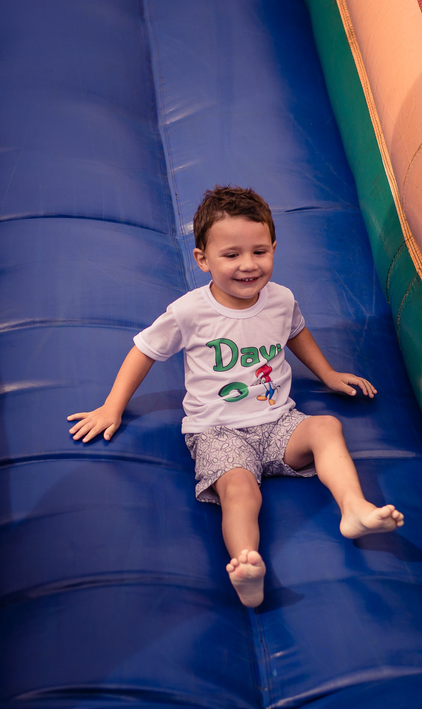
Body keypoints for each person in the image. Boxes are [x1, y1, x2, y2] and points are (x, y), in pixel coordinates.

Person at [67, 185, 404, 608]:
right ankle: (247, 565)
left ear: (275, 248)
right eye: (231, 256)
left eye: (260, 252)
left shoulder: (281, 299)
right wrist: (112, 407)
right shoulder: (190, 312)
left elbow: (296, 333)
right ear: (202, 259)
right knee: (240, 490)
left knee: (326, 427)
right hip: (218, 431)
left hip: (279, 421)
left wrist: (328, 373)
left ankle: (354, 508)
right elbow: (144, 350)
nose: (248, 266)